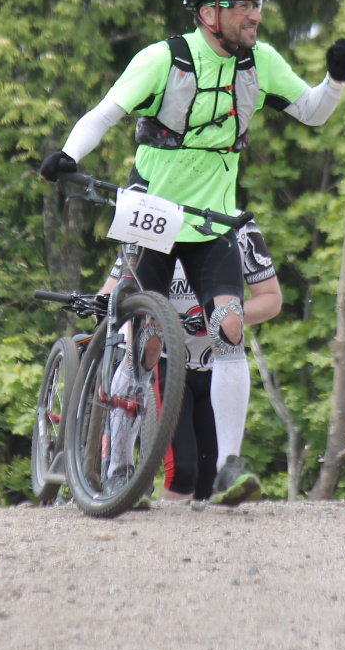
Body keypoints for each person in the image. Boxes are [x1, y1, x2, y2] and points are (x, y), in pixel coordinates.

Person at [41, 0, 345, 506]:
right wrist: (69, 154)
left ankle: (230, 467)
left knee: (229, 326)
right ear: (210, 12)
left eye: (258, 4)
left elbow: (312, 112)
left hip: (213, 222)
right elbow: (107, 112)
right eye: (244, 6)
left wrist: (335, 81)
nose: (255, 15)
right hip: (154, 215)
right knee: (140, 341)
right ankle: (118, 466)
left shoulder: (260, 62)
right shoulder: (163, 59)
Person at [102, 215, 281, 505]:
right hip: (165, 362)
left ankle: (196, 534)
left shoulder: (239, 227)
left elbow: (271, 298)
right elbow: (109, 292)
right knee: (183, 474)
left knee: (207, 484)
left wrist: (223, 317)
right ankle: (119, 472)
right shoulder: (154, 219)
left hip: (215, 369)